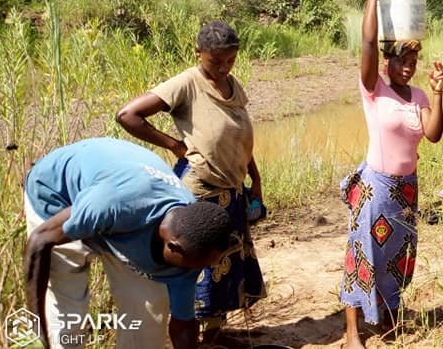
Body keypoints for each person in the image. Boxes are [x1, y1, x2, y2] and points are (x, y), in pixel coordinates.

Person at [115, 20, 264, 343]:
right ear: (198, 53)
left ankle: (214, 333)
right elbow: (128, 115)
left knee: (224, 263)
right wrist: (174, 144)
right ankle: (187, 337)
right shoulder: (187, 83)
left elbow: (240, 138)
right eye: (216, 61)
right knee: (196, 266)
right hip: (200, 188)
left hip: (232, 188)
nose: (224, 68)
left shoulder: (233, 85)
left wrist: (255, 179)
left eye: (230, 61)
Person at [24, 137, 231, 349]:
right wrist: (35, 328)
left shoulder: (194, 235)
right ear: (173, 246)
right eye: (194, 266)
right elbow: (39, 241)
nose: (194, 272)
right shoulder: (114, 204)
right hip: (56, 199)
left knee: (149, 312)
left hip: (116, 214)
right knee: (67, 317)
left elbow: (184, 323)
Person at [340, 0, 443, 349]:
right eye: (401, 61)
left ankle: (385, 317)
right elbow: (367, 43)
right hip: (376, 187)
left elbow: (432, 135)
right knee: (362, 252)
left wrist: (436, 90)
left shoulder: (417, 95)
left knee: (398, 256)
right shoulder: (374, 88)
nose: (407, 68)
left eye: (412, 63)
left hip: (407, 189)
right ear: (388, 62)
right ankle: (352, 331)